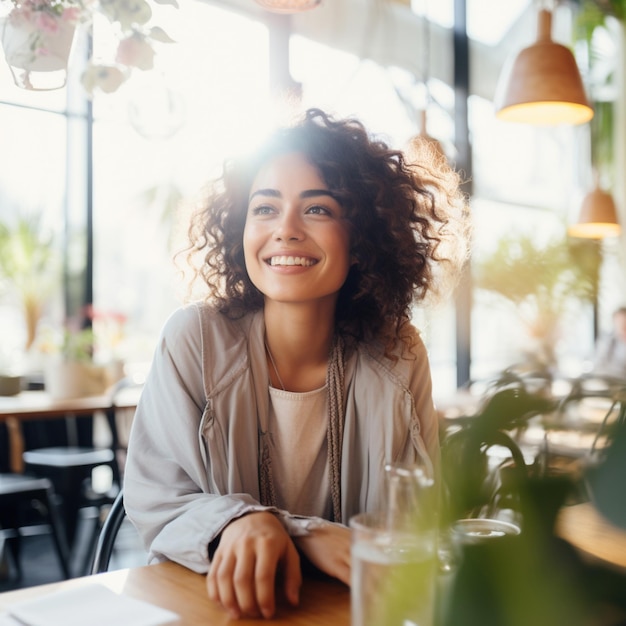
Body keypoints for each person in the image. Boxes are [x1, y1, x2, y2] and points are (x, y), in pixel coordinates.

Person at [123, 108, 470, 619]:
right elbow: (157, 499)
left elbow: (417, 514)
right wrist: (276, 528)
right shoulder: (194, 337)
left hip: (343, 608)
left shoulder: (399, 352)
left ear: (361, 241)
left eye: (318, 210)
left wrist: (289, 532)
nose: (284, 230)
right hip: (217, 605)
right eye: (264, 208)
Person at [592, 306, 626, 380]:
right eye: (619, 323)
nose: (622, 327)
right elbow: (597, 367)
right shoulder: (607, 341)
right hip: (610, 383)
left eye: (624, 322)